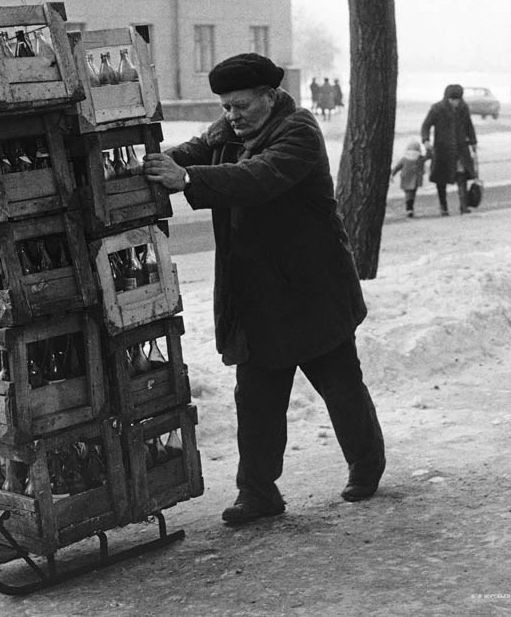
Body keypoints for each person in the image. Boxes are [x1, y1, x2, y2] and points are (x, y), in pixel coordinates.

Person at [140, 53, 385, 525]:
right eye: (226, 107)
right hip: (256, 298)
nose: (231, 115)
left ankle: (366, 464)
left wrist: (187, 180)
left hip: (313, 292)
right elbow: (195, 149)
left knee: (341, 388)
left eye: (240, 105)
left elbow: (260, 177)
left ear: (270, 98)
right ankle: (258, 493)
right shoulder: (233, 128)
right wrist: (160, 163)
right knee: (255, 400)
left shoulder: (299, 131)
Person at [421, 83, 478, 215]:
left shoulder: (464, 108)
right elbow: (426, 126)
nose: (455, 103)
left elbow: (469, 126)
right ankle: (443, 207)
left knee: (462, 177)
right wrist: (426, 140)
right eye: (452, 100)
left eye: (457, 99)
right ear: (447, 98)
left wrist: (473, 142)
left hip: (461, 150)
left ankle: (464, 207)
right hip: (442, 150)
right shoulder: (436, 109)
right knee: (441, 180)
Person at [390, 139, 427, 218]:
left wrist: (392, 175)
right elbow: (429, 156)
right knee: (412, 194)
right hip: (415, 179)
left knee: (408, 194)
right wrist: (428, 147)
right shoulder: (420, 158)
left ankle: (409, 209)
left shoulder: (404, 159)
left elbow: (397, 167)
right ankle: (410, 209)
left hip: (405, 178)